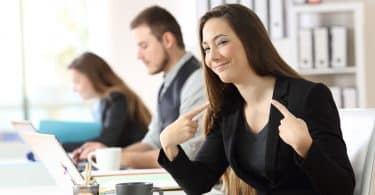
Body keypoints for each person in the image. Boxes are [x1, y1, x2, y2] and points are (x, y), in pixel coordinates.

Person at [158, 4, 355, 195]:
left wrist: (305, 147)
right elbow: (198, 183)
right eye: (207, 48)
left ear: (250, 41)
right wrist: (168, 144)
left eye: (222, 42)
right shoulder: (228, 109)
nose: (213, 57)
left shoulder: (308, 97)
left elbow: (343, 187)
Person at [73, 6, 206, 169]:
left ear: (168, 40)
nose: (138, 55)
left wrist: (124, 158)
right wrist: (112, 155)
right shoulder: (167, 84)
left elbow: (187, 153)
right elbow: (153, 141)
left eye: (144, 46)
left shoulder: (196, 80)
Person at [65, 52, 151, 156]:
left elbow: (106, 141)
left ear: (93, 77)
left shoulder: (118, 98)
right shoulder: (102, 103)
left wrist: (61, 146)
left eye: (77, 82)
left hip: (138, 160)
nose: (74, 89)